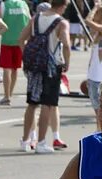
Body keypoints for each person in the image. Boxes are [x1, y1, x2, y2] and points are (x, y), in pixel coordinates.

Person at [19, 0, 69, 154]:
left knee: (32, 103)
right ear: (62, 6)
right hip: (51, 67)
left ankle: (25, 140)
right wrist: (67, 63)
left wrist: (28, 56)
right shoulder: (61, 23)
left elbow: (21, 39)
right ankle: (41, 142)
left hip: (34, 66)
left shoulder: (36, 18)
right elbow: (66, 45)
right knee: (47, 104)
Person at [0, 0, 30, 105]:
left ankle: (6, 96)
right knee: (15, 69)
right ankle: (9, 94)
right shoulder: (24, 4)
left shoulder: (4, 5)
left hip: (7, 40)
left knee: (7, 69)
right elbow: (29, 20)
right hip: (20, 40)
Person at [85, 1, 102, 111]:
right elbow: (93, 57)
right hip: (93, 76)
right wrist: (88, 74)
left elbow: (87, 21)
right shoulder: (98, 33)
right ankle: (100, 129)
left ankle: (101, 129)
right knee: (98, 111)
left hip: (100, 77)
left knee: (101, 111)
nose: (95, 15)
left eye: (97, 13)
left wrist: (95, 7)